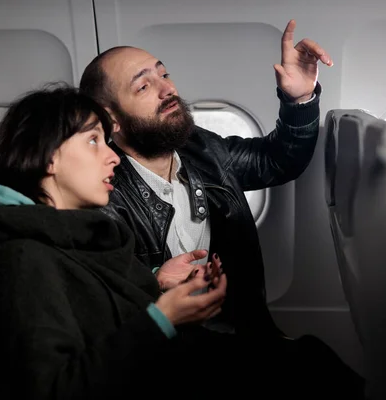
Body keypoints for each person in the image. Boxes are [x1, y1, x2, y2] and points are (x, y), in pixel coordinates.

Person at [0, 84, 364, 399]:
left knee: (311, 360)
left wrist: (158, 282)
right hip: (156, 380)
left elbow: (95, 306)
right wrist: (163, 318)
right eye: (93, 141)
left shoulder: (72, 231)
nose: (113, 157)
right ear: (48, 157)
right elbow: (55, 391)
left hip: (166, 366)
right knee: (311, 373)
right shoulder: (19, 258)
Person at [78, 19, 329, 339]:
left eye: (164, 74)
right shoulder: (102, 195)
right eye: (143, 86)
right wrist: (154, 285)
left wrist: (299, 99)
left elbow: (276, 160)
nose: (168, 89)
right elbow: (101, 308)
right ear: (109, 118)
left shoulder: (201, 147)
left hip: (242, 331)